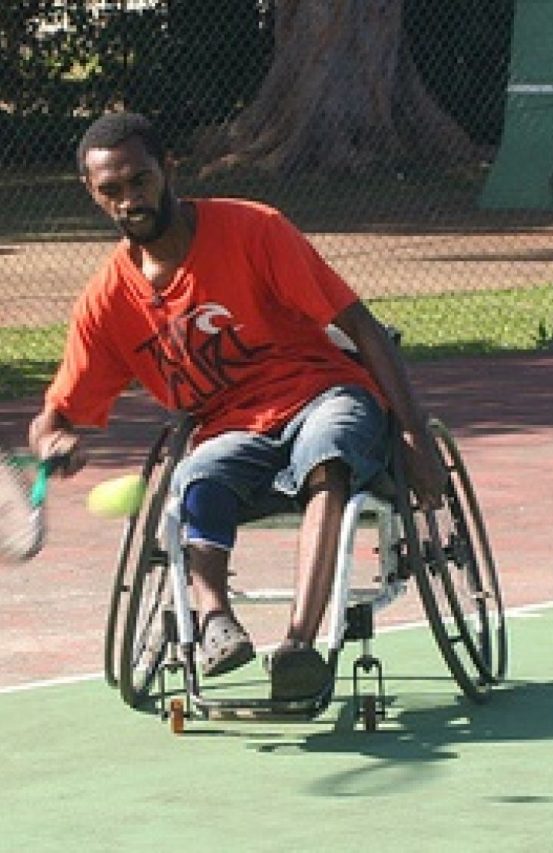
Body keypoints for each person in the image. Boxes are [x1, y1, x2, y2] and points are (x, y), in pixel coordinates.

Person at [29, 112, 446, 701]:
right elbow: (55, 416)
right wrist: (54, 441)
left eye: (140, 180)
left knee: (328, 452)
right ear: (93, 194)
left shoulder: (253, 230)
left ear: (168, 169)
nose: (130, 200)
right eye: (112, 190)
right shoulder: (106, 301)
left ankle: (299, 647)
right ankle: (215, 621)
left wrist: (415, 435)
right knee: (195, 475)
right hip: (230, 429)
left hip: (322, 392)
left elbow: (362, 326)